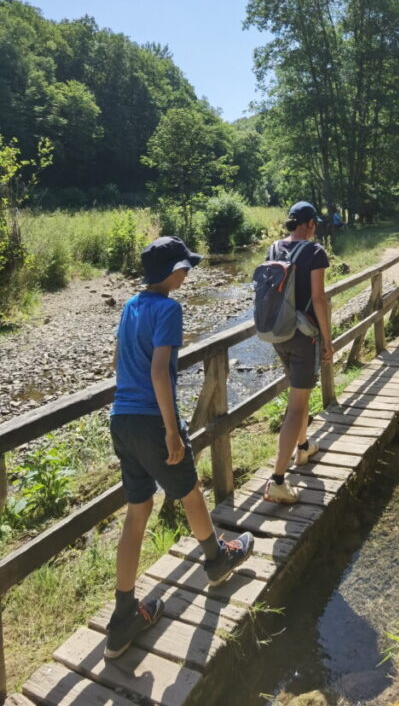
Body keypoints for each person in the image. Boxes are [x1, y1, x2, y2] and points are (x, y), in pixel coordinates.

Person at [106, 235, 254, 659]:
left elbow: (120, 364)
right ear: (172, 273)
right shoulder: (169, 309)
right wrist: (172, 431)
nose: (188, 274)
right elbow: (159, 374)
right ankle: (217, 560)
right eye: (185, 268)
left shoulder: (131, 307)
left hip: (123, 419)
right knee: (189, 491)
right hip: (153, 420)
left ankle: (122, 617)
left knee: (138, 510)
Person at [263, 202, 334, 504]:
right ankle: (278, 480)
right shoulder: (315, 252)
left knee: (299, 393)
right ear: (308, 224)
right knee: (296, 405)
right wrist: (328, 341)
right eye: (314, 223)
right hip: (304, 337)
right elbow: (318, 299)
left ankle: (303, 447)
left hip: (278, 333)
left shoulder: (274, 249)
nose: (315, 228)